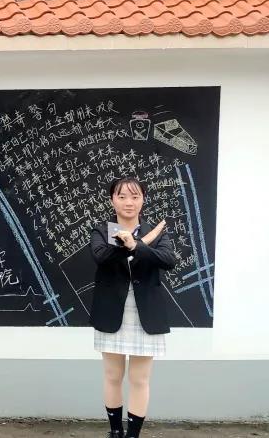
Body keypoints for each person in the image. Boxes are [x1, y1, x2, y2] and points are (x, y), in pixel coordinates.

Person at [90, 177, 175, 438]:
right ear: (112, 200)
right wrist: (124, 243)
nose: (129, 202)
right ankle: (115, 432)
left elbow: (168, 260)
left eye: (135, 196)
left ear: (143, 200)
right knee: (112, 376)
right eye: (122, 196)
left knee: (140, 379)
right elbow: (100, 257)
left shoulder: (157, 232)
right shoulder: (101, 231)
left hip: (146, 313)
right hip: (111, 311)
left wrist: (137, 244)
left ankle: (133, 435)